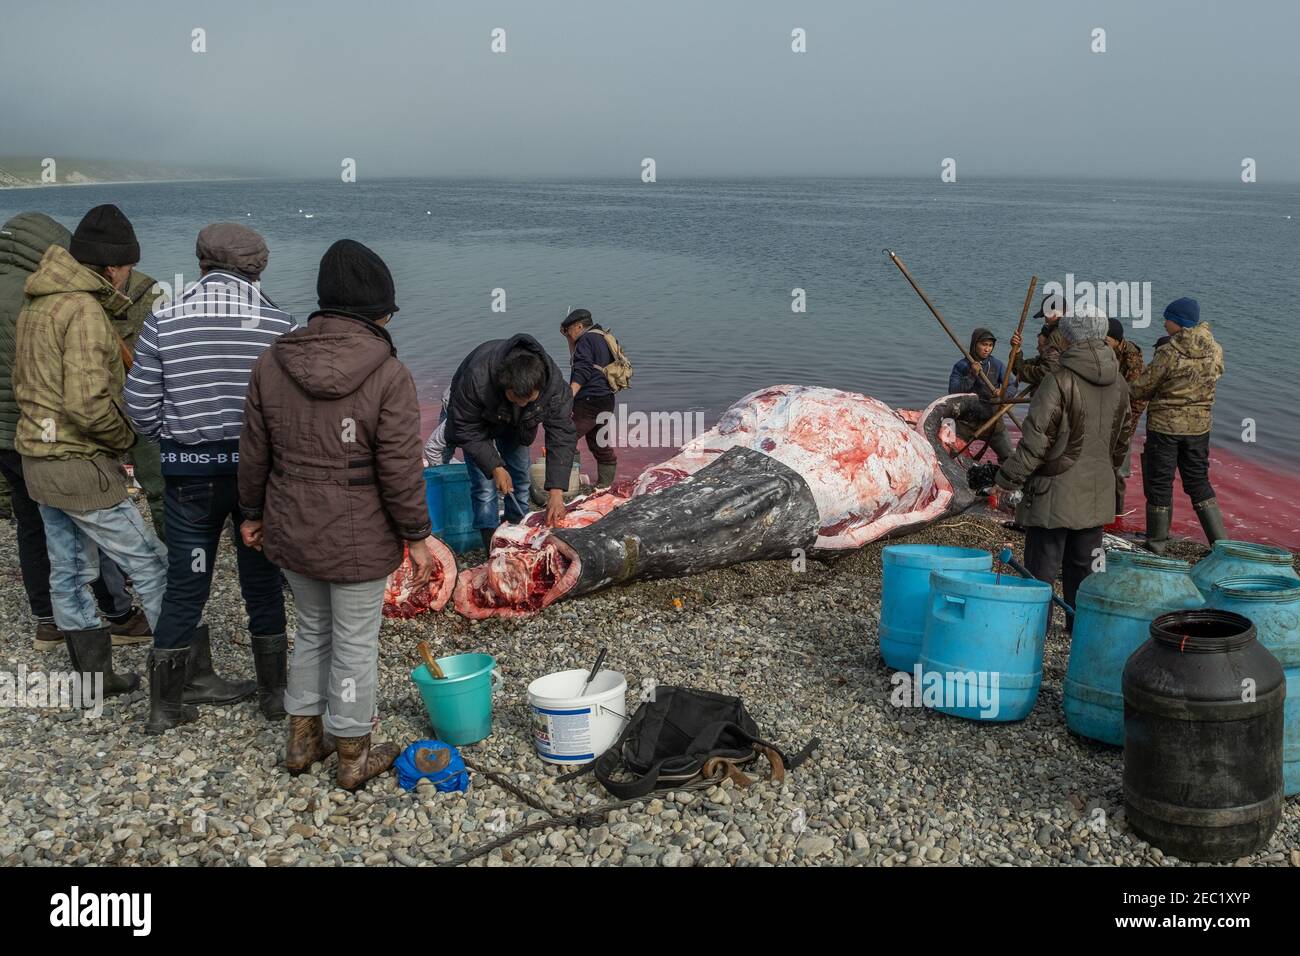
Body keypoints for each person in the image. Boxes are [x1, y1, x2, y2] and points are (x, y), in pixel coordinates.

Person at [238, 239, 434, 789]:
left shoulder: (272, 362)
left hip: (292, 522)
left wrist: (251, 512)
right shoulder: (388, 373)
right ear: (379, 312)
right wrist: (417, 534)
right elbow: (399, 467)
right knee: (353, 642)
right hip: (359, 532)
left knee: (312, 630)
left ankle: (302, 741)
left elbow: (254, 450)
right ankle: (352, 753)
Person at [126, 223, 296, 733]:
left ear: (201, 263)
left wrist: (177, 437)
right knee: (262, 585)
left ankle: (165, 707)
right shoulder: (279, 325)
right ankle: (274, 697)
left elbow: (139, 411)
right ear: (258, 268)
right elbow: (288, 414)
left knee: (186, 585)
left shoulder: (163, 319)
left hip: (189, 478)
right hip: (256, 479)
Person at [13, 204, 168, 695]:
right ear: (110, 265)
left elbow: (25, 384)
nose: (128, 276)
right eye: (125, 266)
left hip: (37, 457)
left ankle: (92, 683)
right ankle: (183, 678)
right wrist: (126, 438)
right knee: (150, 561)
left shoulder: (37, 302)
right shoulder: (83, 309)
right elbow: (86, 402)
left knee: (69, 569)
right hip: (79, 463)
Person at [994, 307, 1130, 628]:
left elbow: (1035, 443)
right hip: (1097, 490)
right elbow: (1120, 445)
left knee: (1042, 567)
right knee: (1083, 566)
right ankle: (1078, 631)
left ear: (1068, 338)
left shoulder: (1058, 381)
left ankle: (1033, 632)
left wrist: (1006, 479)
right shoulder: (1120, 383)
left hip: (1054, 489)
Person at [444, 333, 577, 549]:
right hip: (478, 424)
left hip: (517, 426)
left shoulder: (554, 388)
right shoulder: (477, 379)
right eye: (516, 398)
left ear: (540, 388)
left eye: (529, 400)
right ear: (504, 385)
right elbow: (466, 428)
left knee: (520, 480)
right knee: (485, 488)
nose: (523, 403)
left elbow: (561, 434)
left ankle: (518, 535)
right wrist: (495, 466)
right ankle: (491, 544)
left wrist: (556, 490)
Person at [1129, 297, 1226, 553]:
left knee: (1160, 483)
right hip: (1199, 426)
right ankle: (1221, 545)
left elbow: (1143, 387)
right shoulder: (1215, 348)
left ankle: (1157, 545)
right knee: (1198, 481)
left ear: (1178, 322)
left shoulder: (1169, 351)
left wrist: (1126, 389)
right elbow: (1217, 374)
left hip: (1165, 427)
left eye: (1167, 318)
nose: (1164, 323)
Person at [116, 266, 166, 540]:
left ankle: (173, 559)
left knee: (159, 488)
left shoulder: (152, 294)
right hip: (106, 404)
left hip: (143, 406)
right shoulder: (82, 298)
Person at [561, 308, 619, 488]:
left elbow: (583, 369)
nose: (568, 333)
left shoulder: (585, 340)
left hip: (589, 400)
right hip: (607, 399)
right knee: (599, 441)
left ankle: (566, 484)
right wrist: (569, 340)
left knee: (565, 437)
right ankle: (604, 485)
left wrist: (569, 396)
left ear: (579, 326)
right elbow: (581, 360)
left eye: (569, 330)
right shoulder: (602, 337)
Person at [948, 327, 1014, 463]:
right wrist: (972, 375)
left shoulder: (997, 365)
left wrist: (1003, 393)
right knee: (952, 456)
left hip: (992, 421)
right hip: (967, 422)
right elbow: (953, 392)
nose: (987, 349)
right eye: (984, 344)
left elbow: (1013, 386)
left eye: (990, 346)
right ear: (974, 344)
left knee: (1009, 458)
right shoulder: (962, 366)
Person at [1105, 317, 1147, 518]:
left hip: (1126, 415)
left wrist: (1127, 428)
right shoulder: (1106, 351)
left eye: (1106, 340)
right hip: (1108, 412)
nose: (1102, 343)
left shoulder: (1132, 358)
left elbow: (1136, 397)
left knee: (1118, 468)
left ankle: (1116, 512)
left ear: (1117, 340)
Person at [1011, 293, 1068, 386]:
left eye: (1046, 316)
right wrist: (1016, 350)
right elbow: (1040, 363)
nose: (1045, 321)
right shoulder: (1071, 330)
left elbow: (1046, 372)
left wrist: (1021, 374)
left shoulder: (1056, 335)